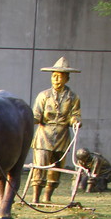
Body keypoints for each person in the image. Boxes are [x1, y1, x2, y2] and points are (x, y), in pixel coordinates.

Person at [30, 56, 82, 203]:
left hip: (61, 137)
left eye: (60, 77)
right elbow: (36, 115)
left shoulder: (73, 97)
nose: (56, 80)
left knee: (56, 168)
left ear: (67, 79)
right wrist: (27, 121)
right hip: (43, 136)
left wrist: (75, 121)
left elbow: (75, 115)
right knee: (40, 166)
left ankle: (47, 197)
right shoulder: (44, 96)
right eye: (54, 76)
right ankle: (35, 198)